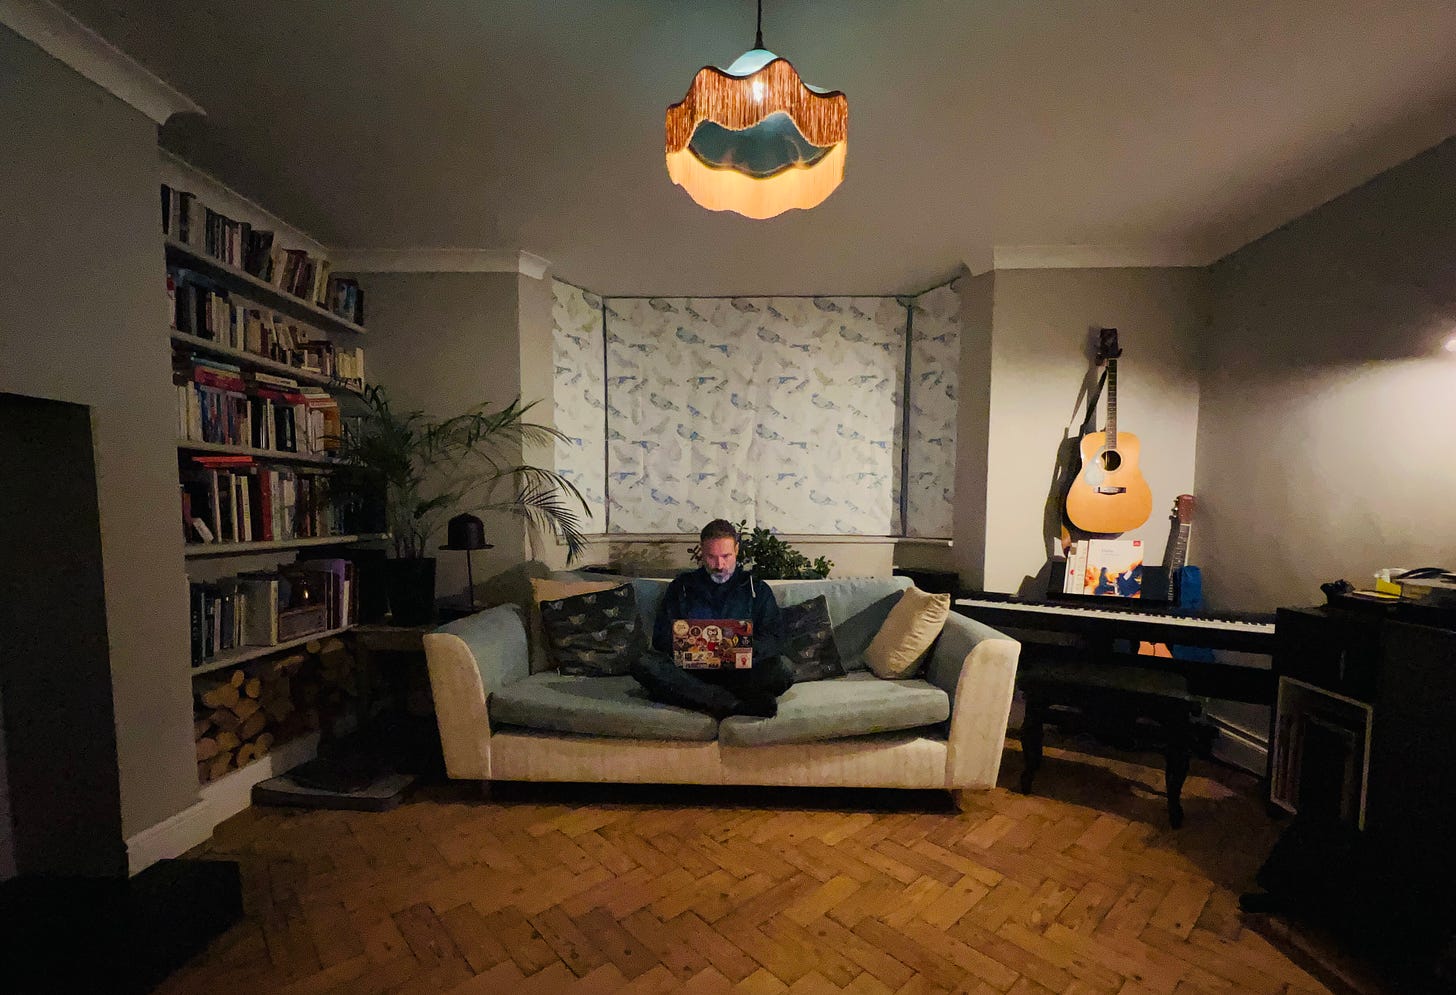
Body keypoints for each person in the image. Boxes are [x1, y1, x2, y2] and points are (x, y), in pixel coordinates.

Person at [630, 519, 792, 719]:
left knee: (784, 668)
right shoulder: (681, 587)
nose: (719, 565)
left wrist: (736, 650)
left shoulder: (757, 589)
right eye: (711, 557)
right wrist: (696, 648)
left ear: (737, 550)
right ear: (701, 552)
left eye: (726, 556)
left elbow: (774, 639)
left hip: (742, 673)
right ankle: (732, 703)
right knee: (643, 663)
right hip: (692, 673)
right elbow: (661, 638)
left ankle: (706, 699)